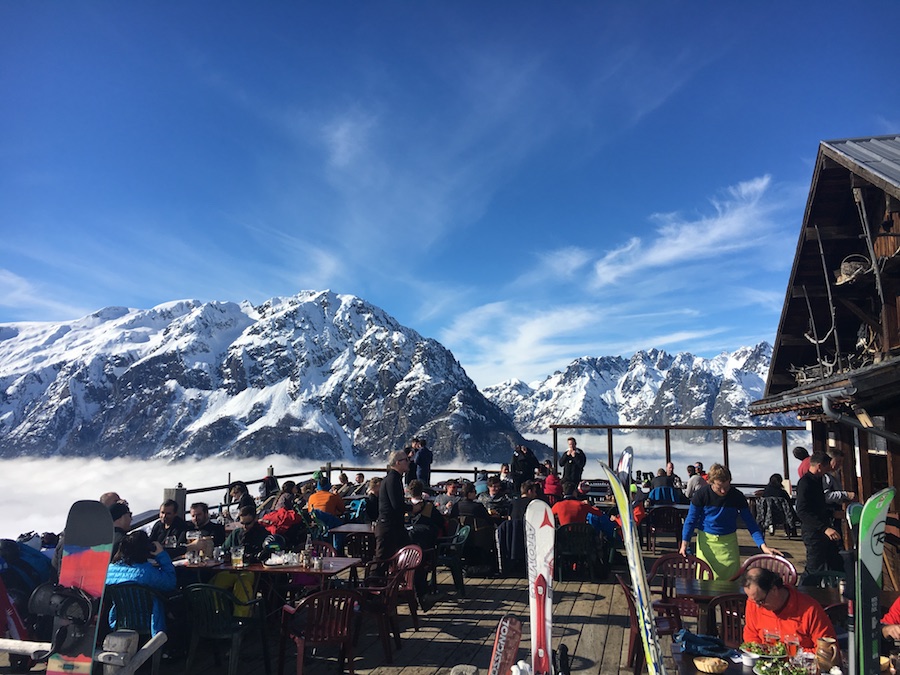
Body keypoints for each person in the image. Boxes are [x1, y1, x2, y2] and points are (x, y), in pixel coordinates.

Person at [679, 463, 780, 579]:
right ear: (710, 482)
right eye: (719, 487)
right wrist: (684, 544)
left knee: (732, 580)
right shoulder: (701, 495)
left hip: (729, 543)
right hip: (706, 543)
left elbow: (750, 522)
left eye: (726, 487)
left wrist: (762, 546)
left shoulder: (737, 496)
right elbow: (690, 520)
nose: (723, 491)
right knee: (705, 581)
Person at [742, 567, 836, 650]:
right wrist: (757, 648)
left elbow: (826, 651)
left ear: (774, 590)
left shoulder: (809, 609)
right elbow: (750, 633)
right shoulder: (753, 602)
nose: (758, 606)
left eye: (761, 601)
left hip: (802, 665)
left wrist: (795, 654)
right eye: (754, 601)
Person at [106, 530, 176, 634]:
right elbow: (170, 583)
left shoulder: (110, 571)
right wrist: (161, 555)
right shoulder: (146, 573)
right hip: (149, 622)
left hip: (121, 621)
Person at [796, 451, 844, 576]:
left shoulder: (818, 480)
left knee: (836, 563)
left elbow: (817, 507)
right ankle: (804, 592)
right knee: (814, 569)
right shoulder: (805, 483)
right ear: (819, 466)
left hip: (824, 528)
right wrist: (824, 528)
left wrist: (832, 514)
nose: (827, 471)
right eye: (826, 468)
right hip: (813, 532)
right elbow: (802, 511)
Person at [376, 450, 413, 562]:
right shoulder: (393, 480)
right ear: (398, 463)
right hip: (388, 527)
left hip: (393, 527)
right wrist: (412, 508)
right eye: (406, 460)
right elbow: (397, 505)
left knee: (406, 554)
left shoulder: (394, 478)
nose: (408, 462)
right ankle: (372, 580)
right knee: (381, 562)